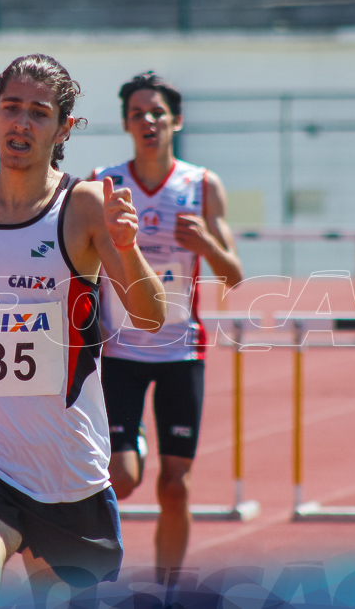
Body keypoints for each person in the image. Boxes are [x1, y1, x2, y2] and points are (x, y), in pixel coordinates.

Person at [0, 54, 166, 604]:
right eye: (11, 108)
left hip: (67, 469)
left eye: (39, 113)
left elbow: (150, 314)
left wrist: (129, 250)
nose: (21, 123)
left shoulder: (84, 205)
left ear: (63, 128)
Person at [90, 72, 243, 584]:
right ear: (126, 124)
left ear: (175, 120)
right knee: (123, 479)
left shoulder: (201, 186)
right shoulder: (105, 182)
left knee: (175, 487)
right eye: (138, 114)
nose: (148, 122)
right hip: (120, 352)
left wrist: (206, 246)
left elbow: (234, 276)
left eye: (157, 113)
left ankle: (166, 590)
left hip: (181, 352)